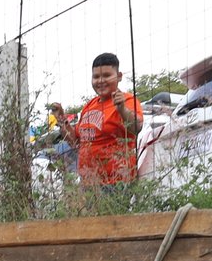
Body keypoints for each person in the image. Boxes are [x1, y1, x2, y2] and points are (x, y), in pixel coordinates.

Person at [47, 52, 142, 187]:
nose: (101, 81)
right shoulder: (89, 106)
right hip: (89, 184)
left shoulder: (127, 100)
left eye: (107, 75)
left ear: (119, 76)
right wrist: (62, 120)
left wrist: (122, 109)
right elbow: (74, 141)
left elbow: (136, 128)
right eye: (96, 77)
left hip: (116, 183)